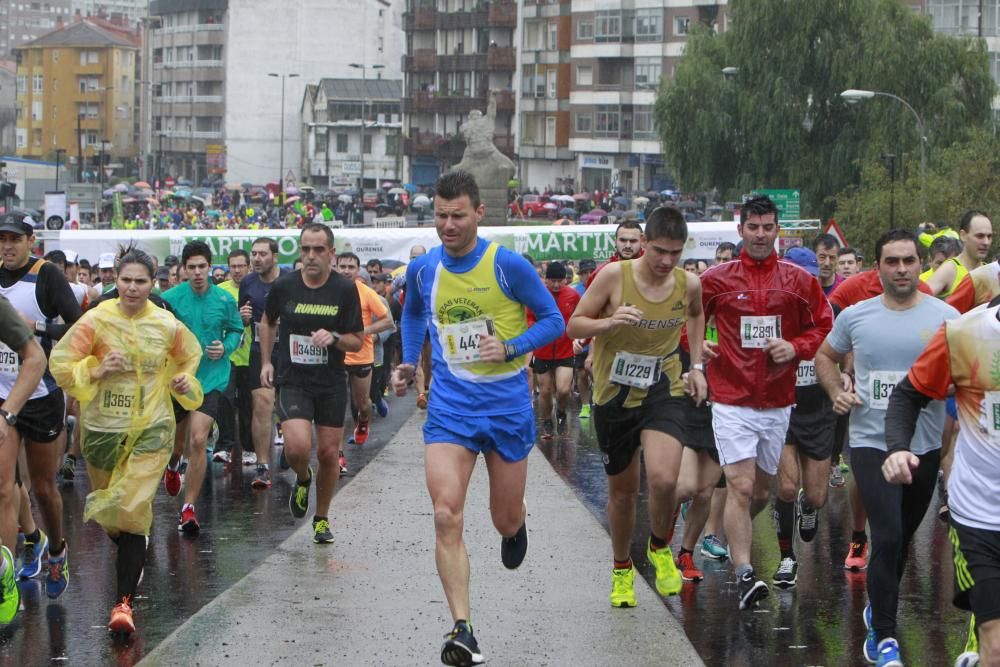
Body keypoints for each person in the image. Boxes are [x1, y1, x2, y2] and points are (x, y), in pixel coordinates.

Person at [391, 171, 562, 666]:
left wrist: (509, 346)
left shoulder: (506, 265)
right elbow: (413, 314)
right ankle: (462, 628)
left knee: (502, 519)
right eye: (440, 216)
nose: (447, 225)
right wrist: (407, 361)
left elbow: (553, 321)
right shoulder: (425, 270)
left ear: (479, 213)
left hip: (506, 408)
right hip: (450, 410)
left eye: (457, 215)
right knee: (446, 513)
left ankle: (517, 522)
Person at [815, 229, 958, 667]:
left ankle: (881, 604)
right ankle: (885, 637)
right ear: (876, 267)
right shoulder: (856, 316)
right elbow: (824, 357)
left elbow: (964, 374)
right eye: (891, 262)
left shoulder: (947, 317)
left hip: (924, 444)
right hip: (871, 442)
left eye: (908, 261)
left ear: (921, 264)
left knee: (900, 540)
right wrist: (837, 389)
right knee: (888, 533)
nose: (901, 269)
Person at [49, 246, 203, 637]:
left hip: (152, 427)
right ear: (115, 281)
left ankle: (122, 605)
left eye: (140, 281)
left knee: (133, 508)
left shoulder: (166, 324)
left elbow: (189, 357)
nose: (132, 288)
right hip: (102, 432)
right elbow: (61, 364)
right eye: (125, 280)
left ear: (154, 285)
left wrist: (185, 382)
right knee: (111, 515)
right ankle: (133, 539)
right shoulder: (96, 320)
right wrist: (97, 369)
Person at [567, 206, 707, 607]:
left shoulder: (688, 284)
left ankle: (660, 546)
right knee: (624, 493)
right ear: (643, 243)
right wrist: (608, 324)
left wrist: (695, 365)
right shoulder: (614, 277)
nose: (666, 261)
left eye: (675, 253)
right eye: (659, 250)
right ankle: (622, 568)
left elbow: (696, 316)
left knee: (664, 479)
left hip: (664, 385)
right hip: (614, 393)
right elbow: (574, 324)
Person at [698, 195, 833, 610]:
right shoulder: (716, 279)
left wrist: (796, 347)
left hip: (778, 402)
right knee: (738, 486)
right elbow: (689, 323)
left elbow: (825, 326)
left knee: (759, 493)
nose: (760, 234)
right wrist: (695, 349)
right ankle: (744, 573)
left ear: (777, 231)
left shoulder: (798, 281)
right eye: (752, 227)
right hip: (731, 398)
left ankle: (722, 532)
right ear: (740, 230)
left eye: (767, 227)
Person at [885, 296, 1000, 667]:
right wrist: (898, 448)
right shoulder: (965, 334)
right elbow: (908, 394)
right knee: (996, 646)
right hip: (980, 516)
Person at [259, 224, 364, 544]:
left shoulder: (344, 290)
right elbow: (268, 321)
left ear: (331, 253)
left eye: (318, 250)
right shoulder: (285, 286)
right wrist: (266, 361)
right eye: (305, 249)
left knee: (330, 454)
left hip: (330, 382)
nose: (311, 256)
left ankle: (321, 518)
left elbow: (357, 341)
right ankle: (303, 478)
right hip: (294, 380)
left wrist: (333, 338)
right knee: (297, 447)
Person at [0, 214, 81, 599]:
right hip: (3, 397)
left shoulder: (46, 275)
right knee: (5, 487)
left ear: (31, 241)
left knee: (45, 488)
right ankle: (12, 561)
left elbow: (80, 328)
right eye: (1, 240)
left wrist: (38, 328)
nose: (7, 246)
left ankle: (57, 548)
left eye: (14, 239)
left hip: (42, 396)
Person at [768, 247, 840, 589]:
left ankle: (807, 508)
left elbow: (847, 347)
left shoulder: (830, 310)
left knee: (816, 496)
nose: (805, 281)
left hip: (819, 411)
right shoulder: (769, 310)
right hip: (781, 409)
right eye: (799, 274)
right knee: (784, 485)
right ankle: (786, 557)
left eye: (811, 274)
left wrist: (848, 376)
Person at [161, 241, 243, 534]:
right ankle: (173, 465)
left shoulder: (223, 300)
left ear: (211, 268)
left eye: (202, 267)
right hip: (178, 380)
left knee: (198, 440)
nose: (197, 273)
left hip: (211, 379)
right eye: (191, 267)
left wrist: (227, 346)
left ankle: (189, 508)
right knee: (177, 442)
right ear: (184, 269)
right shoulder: (168, 299)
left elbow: (236, 329)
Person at [0, 295, 47, 625]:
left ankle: (3, 575)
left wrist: (6, 413)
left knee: (5, 490)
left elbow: (34, 358)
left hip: (17, 403)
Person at [238, 238, 288, 488]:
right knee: (262, 405)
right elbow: (243, 319)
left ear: (275, 257)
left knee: (286, 405)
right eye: (253, 254)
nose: (256, 259)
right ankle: (262, 466)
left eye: (262, 254)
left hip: (288, 350)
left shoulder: (290, 280)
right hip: (259, 349)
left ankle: (291, 445)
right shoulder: (247, 282)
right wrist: (244, 318)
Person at [336, 252, 393, 446]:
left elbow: (388, 321)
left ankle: (363, 421)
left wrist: (363, 331)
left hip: (361, 356)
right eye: (342, 267)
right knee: (336, 407)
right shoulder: (328, 290)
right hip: (335, 356)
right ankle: (338, 453)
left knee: (362, 403)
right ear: (336, 267)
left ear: (358, 270)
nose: (346, 271)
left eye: (351, 267)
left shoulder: (366, 292)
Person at [530, 261, 580, 438]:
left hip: (565, 350)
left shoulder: (573, 296)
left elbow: (582, 317)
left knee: (564, 389)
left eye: (560, 281)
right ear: (546, 280)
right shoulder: (537, 295)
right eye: (553, 281)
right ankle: (546, 422)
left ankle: (561, 413)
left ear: (566, 280)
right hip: (543, 351)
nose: (557, 285)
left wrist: (581, 338)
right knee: (545, 391)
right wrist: (536, 333)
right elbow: (528, 318)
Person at [215, 249, 253, 466]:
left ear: (248, 266)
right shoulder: (220, 291)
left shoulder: (256, 289)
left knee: (249, 404)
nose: (237, 270)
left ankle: (249, 449)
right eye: (233, 266)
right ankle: (224, 446)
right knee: (225, 400)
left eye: (241, 266)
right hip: (227, 356)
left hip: (250, 355)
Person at [926, 211, 991, 301]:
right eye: (980, 236)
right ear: (963, 235)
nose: (986, 242)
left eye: (989, 236)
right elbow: (919, 301)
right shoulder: (949, 269)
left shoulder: (991, 271)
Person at [586, 220, 644, 288]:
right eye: (623, 240)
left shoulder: (652, 270)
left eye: (633, 241)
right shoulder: (600, 273)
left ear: (642, 242)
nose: (628, 245)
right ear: (615, 241)